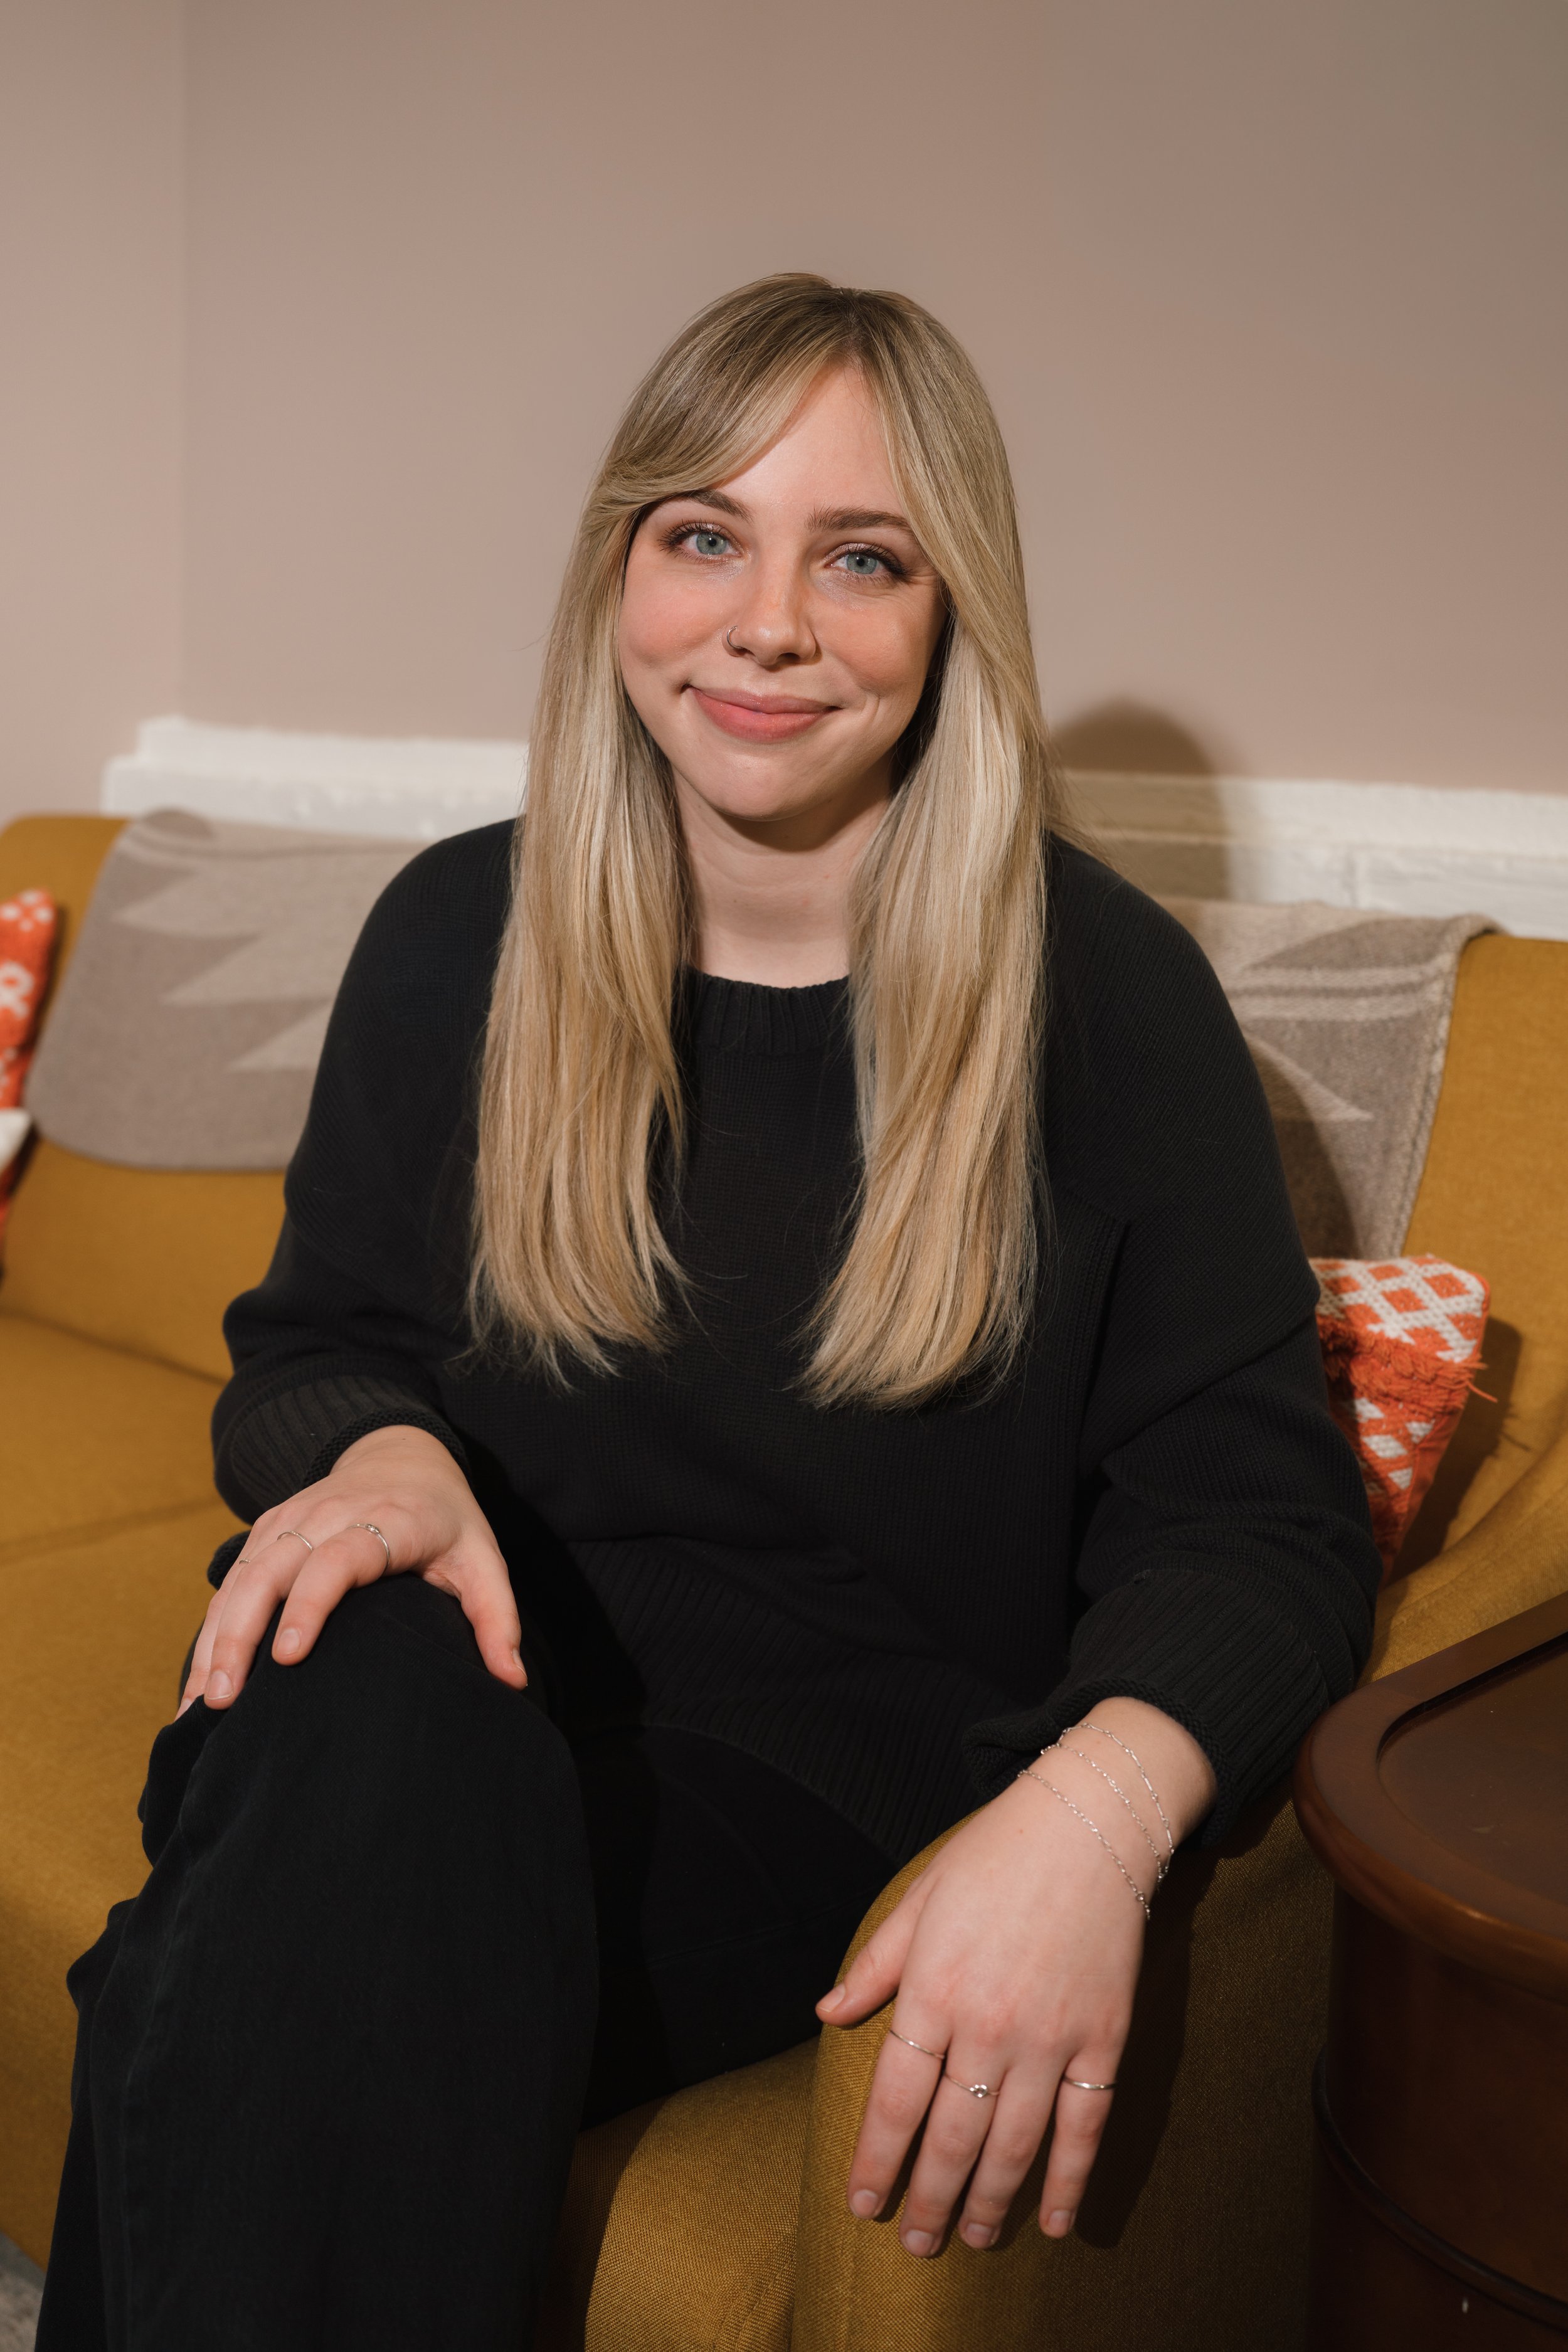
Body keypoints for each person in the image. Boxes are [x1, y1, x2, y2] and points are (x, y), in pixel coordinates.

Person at [39, 273, 1379, 2349]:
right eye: (703, 535)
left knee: (218, 1975)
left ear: (950, 621)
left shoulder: (1101, 1003)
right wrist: (389, 1466)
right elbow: (314, 1354)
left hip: (801, 1795)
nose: (767, 623)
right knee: (357, 1717)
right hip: (422, 1699)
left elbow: (1263, 1531)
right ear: (620, 573)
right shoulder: (453, 936)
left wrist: (1093, 1821)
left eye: (861, 558)